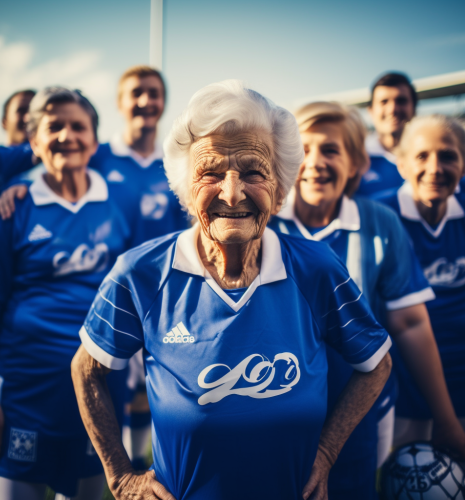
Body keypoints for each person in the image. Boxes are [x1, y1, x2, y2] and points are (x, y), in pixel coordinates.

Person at [71, 80, 393, 500]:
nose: (232, 192)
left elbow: (377, 364)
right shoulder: (141, 273)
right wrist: (120, 476)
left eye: (254, 172)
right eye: (210, 173)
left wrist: (327, 453)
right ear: (187, 191)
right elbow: (86, 371)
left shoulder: (315, 269)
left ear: (279, 191)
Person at [268, 101, 465, 499]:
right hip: (273, 413)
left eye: (331, 150)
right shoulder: (264, 219)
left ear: (358, 163)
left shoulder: (379, 222)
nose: (316, 162)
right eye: (305, 149)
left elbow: (410, 324)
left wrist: (445, 419)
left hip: (357, 420)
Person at [0, 66, 188, 470]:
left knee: (150, 390)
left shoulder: (175, 161)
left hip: (164, 296)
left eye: (154, 93)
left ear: (164, 101)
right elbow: (51, 159)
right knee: (109, 384)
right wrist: (25, 184)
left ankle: (139, 462)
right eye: (136, 93)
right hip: (113, 298)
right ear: (119, 104)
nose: (145, 101)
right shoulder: (100, 153)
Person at [0, 87, 134, 500]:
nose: (67, 135)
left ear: (94, 141)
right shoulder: (11, 209)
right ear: (35, 141)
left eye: (78, 126)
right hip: (26, 391)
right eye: (54, 126)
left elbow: (140, 294)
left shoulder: (120, 202)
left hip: (101, 388)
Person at [379, 115, 465, 467]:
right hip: (405, 398)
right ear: (400, 164)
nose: (435, 168)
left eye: (448, 156)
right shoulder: (378, 216)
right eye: (421, 156)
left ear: (464, 164)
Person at [356, 72, 416, 198]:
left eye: (401, 101)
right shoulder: (355, 158)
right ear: (371, 111)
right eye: (384, 102)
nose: (393, 109)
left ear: (414, 108)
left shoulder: (437, 159)